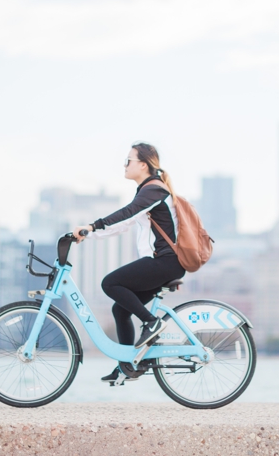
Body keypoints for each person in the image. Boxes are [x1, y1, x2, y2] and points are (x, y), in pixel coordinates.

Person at [73, 142, 186, 383]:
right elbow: (125, 224)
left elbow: (127, 212)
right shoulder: (148, 191)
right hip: (163, 262)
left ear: (143, 165)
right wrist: (88, 234)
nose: (124, 165)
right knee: (120, 310)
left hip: (165, 262)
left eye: (128, 161)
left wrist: (92, 225)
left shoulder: (154, 190)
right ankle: (130, 365)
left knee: (110, 284)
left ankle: (152, 323)